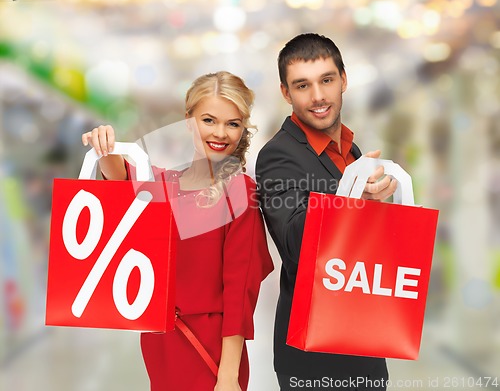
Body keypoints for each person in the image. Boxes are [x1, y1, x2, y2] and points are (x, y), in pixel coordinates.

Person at [82, 71, 274, 391]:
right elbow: (122, 181)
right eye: (209, 120)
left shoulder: (240, 193)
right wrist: (106, 148)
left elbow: (240, 294)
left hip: (209, 349)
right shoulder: (165, 183)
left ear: (243, 129)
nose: (220, 133)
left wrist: (228, 377)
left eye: (233, 123)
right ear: (188, 121)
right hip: (160, 342)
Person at [255, 33, 398, 390]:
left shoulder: (351, 151)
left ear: (343, 80)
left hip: (364, 338)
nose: (318, 96)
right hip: (314, 353)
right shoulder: (277, 156)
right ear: (286, 93)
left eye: (327, 80)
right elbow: (292, 242)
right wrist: (349, 194)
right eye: (302, 85)